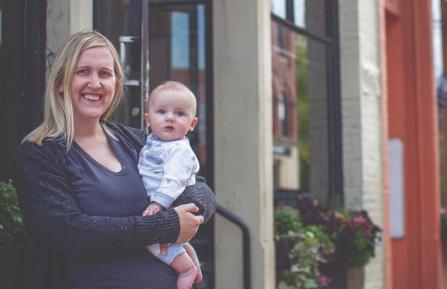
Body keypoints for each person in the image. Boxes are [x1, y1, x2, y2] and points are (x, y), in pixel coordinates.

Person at [14, 30, 216, 289]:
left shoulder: (134, 140)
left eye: (105, 74)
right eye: (83, 71)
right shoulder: (39, 154)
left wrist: (191, 213)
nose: (95, 83)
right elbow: (73, 233)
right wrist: (167, 225)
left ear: (116, 84)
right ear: (61, 83)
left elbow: (199, 188)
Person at [138, 81, 201, 289]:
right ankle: (188, 254)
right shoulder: (153, 143)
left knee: (152, 242)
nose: (170, 117)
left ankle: (186, 269)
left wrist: (158, 203)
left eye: (180, 113)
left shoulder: (178, 151)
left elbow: (173, 180)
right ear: (148, 119)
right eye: (162, 111)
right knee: (166, 242)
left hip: (168, 206)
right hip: (165, 208)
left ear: (192, 123)